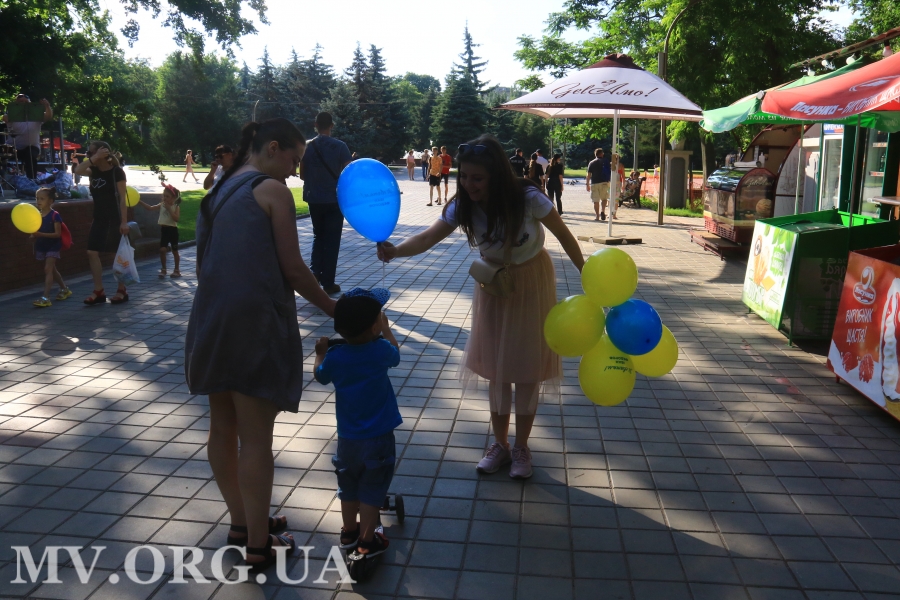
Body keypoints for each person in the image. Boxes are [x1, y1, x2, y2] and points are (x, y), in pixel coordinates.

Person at [377, 135, 585, 479]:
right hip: (493, 283)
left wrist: (587, 275)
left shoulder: (528, 197)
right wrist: (396, 250)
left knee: (528, 367)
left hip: (532, 281)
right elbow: (428, 237)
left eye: (477, 178)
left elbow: (565, 236)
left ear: (496, 176)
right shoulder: (463, 205)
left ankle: (522, 448)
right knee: (496, 367)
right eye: (464, 176)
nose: (469, 184)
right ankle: (500, 445)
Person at [185, 118, 337, 573]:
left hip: (211, 317)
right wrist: (334, 308)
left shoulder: (218, 189)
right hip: (253, 322)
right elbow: (294, 269)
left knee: (221, 428)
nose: (295, 171)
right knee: (255, 438)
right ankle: (259, 545)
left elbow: (203, 265)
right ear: (273, 148)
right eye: (294, 159)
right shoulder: (272, 191)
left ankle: (242, 523)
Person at [314, 288, 401, 561]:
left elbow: (321, 376)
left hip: (348, 438)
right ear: (375, 326)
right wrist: (387, 330)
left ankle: (349, 532)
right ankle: (367, 541)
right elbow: (396, 355)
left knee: (349, 485)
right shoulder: (380, 350)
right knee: (373, 488)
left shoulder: (336, 356)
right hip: (379, 436)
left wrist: (320, 354)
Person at [299, 112, 353, 296]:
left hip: (314, 198)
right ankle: (328, 283)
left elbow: (302, 175)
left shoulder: (306, 146)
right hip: (334, 200)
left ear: (315, 125)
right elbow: (348, 174)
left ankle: (314, 274)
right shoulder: (340, 147)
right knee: (332, 240)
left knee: (318, 236)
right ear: (332, 125)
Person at [73, 141, 130, 305]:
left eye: (90, 152)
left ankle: (122, 289)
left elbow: (122, 200)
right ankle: (99, 291)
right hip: (99, 218)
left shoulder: (117, 172)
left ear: (103, 153)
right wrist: (93, 158)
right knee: (92, 252)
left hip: (114, 218)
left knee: (116, 254)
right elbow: (78, 170)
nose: (88, 155)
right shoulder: (93, 171)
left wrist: (124, 222)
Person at [29, 187, 71, 308]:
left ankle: (46, 297)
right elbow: (35, 230)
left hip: (53, 245)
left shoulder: (55, 215)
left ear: (50, 201)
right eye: (37, 198)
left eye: (42, 199)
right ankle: (64, 289)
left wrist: (40, 234)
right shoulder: (37, 216)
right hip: (42, 245)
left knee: (48, 269)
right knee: (52, 270)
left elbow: (57, 234)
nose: (38, 201)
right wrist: (33, 236)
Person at [2, 94, 52, 180]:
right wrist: (17, 111)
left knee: (30, 155)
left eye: (26, 102)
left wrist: (47, 106)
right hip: (13, 148)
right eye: (21, 102)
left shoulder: (36, 116)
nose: (24, 104)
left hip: (32, 147)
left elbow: (48, 116)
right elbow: (4, 118)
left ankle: (32, 180)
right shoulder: (12, 116)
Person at [139, 184, 182, 278]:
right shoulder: (162, 205)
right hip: (164, 230)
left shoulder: (176, 207)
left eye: (167, 196)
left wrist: (169, 209)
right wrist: (140, 202)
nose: (165, 198)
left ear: (173, 198)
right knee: (162, 250)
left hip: (173, 231)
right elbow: (150, 208)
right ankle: (163, 269)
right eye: (164, 196)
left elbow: (176, 219)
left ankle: (177, 270)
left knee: (175, 251)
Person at [586, 148, 611, 221]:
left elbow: (588, 175)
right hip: (604, 182)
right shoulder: (606, 161)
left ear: (595, 154)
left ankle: (597, 216)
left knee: (595, 200)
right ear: (602, 154)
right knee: (604, 198)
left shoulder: (592, 163)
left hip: (595, 183)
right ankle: (603, 211)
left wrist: (587, 184)